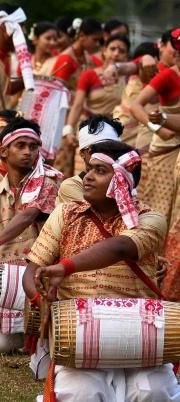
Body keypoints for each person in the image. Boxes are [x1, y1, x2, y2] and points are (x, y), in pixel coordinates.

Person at [24, 141, 179, 402]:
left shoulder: (150, 218)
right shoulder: (66, 213)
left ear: (122, 180)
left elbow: (120, 247)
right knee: (80, 394)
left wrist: (65, 267)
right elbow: (32, 270)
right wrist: (40, 299)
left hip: (139, 330)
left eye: (99, 170)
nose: (87, 177)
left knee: (153, 393)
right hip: (79, 331)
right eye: (88, 170)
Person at [0, 117, 61, 353]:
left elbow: (29, 215)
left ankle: (33, 332)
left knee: (36, 343)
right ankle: (25, 333)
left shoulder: (49, 184)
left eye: (33, 146)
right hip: (3, 283)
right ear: (3, 150)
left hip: (39, 279)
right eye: (21, 146)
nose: (28, 152)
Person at [131, 27, 180, 302]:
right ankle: (147, 288)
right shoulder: (168, 75)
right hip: (164, 156)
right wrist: (157, 126)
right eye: (178, 51)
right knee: (156, 223)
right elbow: (137, 105)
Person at [63, 34, 129, 174]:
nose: (116, 53)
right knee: (84, 176)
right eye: (112, 49)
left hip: (114, 135)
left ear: (126, 56)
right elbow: (77, 105)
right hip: (89, 132)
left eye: (121, 51)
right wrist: (68, 130)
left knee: (109, 177)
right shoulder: (90, 75)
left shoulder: (129, 79)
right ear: (104, 51)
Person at [52, 18, 104, 178]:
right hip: (64, 117)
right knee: (63, 161)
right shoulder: (66, 59)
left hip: (83, 117)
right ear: (82, 36)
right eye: (95, 39)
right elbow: (55, 92)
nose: (97, 44)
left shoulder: (90, 59)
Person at [57, 115, 122, 204]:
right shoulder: (71, 186)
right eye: (95, 149)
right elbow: (98, 214)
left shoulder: (122, 179)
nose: (103, 153)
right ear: (82, 153)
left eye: (110, 147)